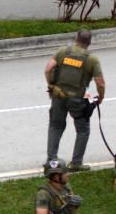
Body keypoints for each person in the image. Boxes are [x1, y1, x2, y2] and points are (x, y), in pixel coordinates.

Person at [44, 28, 105, 172]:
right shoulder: (92, 59)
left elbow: (48, 69)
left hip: (59, 96)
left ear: (75, 38)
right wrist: (100, 97)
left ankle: (51, 161)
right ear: (89, 42)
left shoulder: (62, 52)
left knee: (56, 126)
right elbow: (100, 83)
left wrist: (51, 85)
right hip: (77, 99)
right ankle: (76, 163)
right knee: (83, 130)